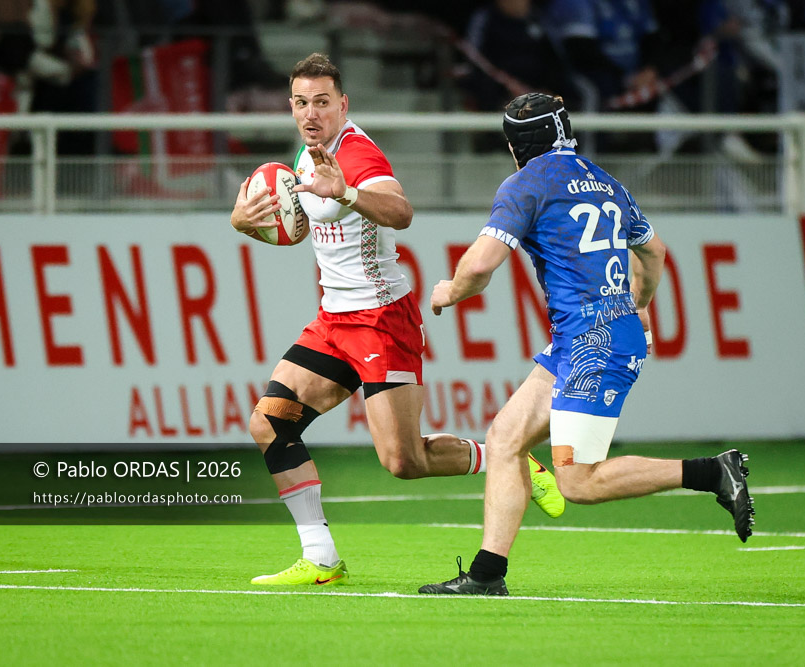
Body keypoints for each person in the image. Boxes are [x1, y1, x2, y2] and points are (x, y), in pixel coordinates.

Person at [228, 53, 565, 587]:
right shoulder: (307, 152)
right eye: (300, 102)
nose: (310, 113)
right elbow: (294, 225)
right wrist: (243, 220)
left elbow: (401, 211)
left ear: (343, 105)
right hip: (334, 321)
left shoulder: (357, 152)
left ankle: (516, 462)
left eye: (322, 102)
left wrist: (347, 192)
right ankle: (320, 559)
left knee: (403, 461)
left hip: (382, 321)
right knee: (269, 421)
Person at [418, 92, 755, 596]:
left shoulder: (526, 183)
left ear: (516, 146)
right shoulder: (604, 181)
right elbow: (654, 251)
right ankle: (487, 575)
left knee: (576, 481)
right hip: (594, 334)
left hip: (589, 341)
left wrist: (450, 290)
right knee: (506, 438)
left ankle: (712, 472)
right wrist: (638, 304)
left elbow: (482, 265)